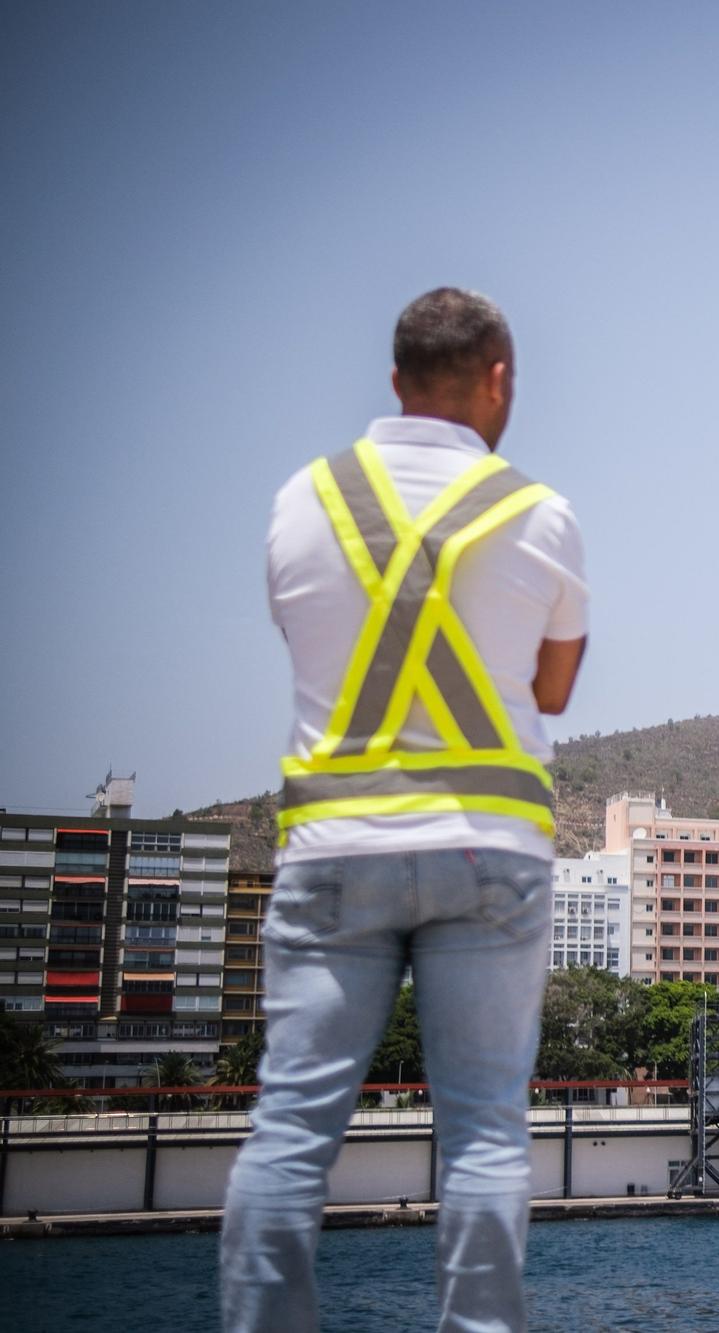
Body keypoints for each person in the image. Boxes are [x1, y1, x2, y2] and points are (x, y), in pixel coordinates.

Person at [222, 288, 587, 1332]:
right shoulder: (536, 511)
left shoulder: (302, 501)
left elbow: (308, 650)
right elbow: (553, 688)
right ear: (499, 379)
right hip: (488, 858)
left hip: (334, 849)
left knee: (289, 1128)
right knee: (481, 1135)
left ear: (394, 381)